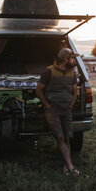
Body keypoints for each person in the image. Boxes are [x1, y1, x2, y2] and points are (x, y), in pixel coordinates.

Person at [36, 48, 80, 176]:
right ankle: (71, 167)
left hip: (66, 109)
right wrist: (47, 106)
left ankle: (67, 165)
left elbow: (75, 91)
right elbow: (39, 90)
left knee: (67, 137)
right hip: (52, 110)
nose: (73, 60)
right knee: (59, 137)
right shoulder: (48, 71)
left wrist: (71, 104)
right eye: (72, 58)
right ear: (66, 59)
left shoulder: (72, 73)